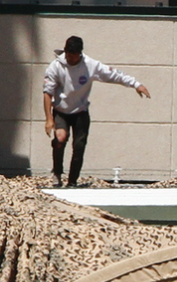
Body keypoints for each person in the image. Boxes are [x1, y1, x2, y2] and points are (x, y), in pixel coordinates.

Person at [41, 35, 151, 187]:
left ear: (80, 53)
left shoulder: (90, 65)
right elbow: (47, 93)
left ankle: (72, 181)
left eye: (74, 56)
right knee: (60, 139)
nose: (71, 59)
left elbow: (113, 74)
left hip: (80, 112)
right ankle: (57, 173)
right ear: (65, 52)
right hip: (61, 111)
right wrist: (49, 119)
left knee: (79, 147)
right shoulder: (55, 67)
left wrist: (136, 84)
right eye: (68, 55)